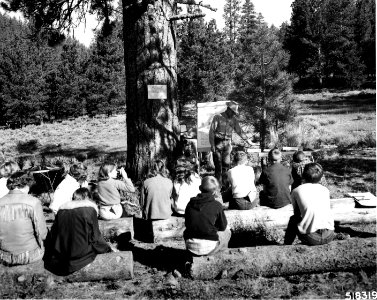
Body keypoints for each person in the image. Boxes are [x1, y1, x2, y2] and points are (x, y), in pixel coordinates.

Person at [44, 188, 112, 276]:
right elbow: (95, 238)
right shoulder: (90, 210)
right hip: (80, 255)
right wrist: (107, 248)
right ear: (88, 197)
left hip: (62, 255)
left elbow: (54, 233)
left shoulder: (61, 210)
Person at [0, 171, 47, 265]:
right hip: (30, 255)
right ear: (26, 185)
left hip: (4, 256)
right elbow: (42, 235)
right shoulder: (33, 202)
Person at [284, 163, 335, 246]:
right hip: (329, 236)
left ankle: (287, 244)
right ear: (321, 177)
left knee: (293, 219)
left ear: (303, 175)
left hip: (312, 239)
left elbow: (297, 214)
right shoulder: (325, 190)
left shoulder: (297, 191)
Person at [184, 176, 231, 256]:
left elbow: (187, 224)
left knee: (186, 231)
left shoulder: (190, 203)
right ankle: (221, 254)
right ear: (215, 192)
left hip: (191, 247)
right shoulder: (217, 205)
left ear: (200, 188)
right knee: (227, 231)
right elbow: (223, 227)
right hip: (209, 248)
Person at [209, 101, 252, 187]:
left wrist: (248, 140)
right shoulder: (217, 117)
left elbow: (239, 130)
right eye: (233, 112)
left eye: (234, 113)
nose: (233, 114)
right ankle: (217, 186)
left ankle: (225, 185)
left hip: (227, 143)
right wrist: (212, 145)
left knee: (226, 164)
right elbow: (211, 132)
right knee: (218, 166)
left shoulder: (234, 120)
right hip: (218, 142)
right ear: (228, 109)